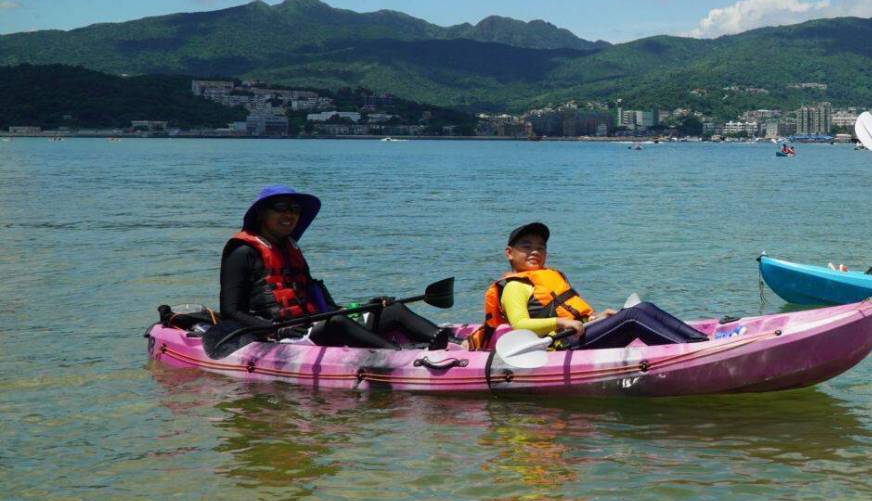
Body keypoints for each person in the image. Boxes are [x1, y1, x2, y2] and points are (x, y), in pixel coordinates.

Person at [218, 185, 451, 350]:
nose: (289, 214)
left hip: (313, 325)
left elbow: (317, 301)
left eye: (295, 210)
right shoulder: (242, 253)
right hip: (283, 335)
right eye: (281, 207)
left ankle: (449, 343)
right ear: (261, 213)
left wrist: (361, 307)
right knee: (337, 323)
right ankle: (398, 356)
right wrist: (274, 330)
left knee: (391, 309)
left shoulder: (290, 250)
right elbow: (231, 311)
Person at [467, 222, 708, 351]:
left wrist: (597, 318)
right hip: (559, 345)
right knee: (632, 316)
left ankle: (701, 343)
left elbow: (564, 312)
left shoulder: (551, 277)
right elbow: (520, 324)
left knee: (642, 307)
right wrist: (561, 323)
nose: (535, 252)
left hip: (576, 335)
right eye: (526, 246)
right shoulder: (514, 287)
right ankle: (691, 352)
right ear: (510, 253)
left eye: (540, 247)